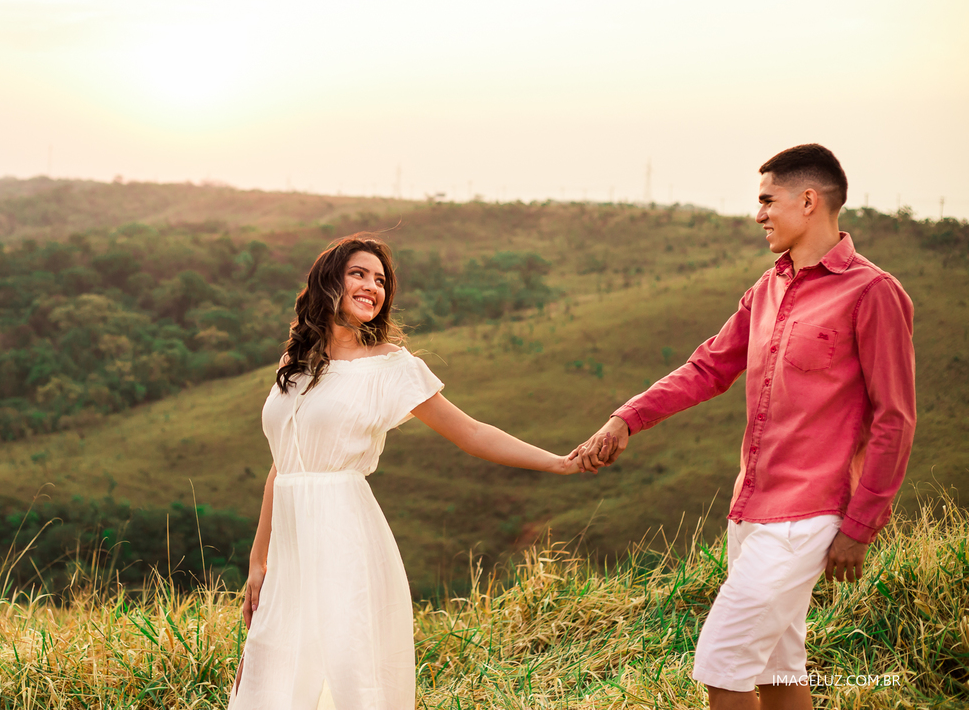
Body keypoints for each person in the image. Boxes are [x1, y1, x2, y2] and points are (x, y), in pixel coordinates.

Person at [575, 144, 916, 710]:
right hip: (750, 510)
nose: (759, 214)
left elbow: (895, 419)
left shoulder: (873, 293)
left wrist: (860, 527)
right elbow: (708, 367)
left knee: (722, 661)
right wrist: (626, 418)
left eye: (767, 200)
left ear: (808, 201)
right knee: (779, 668)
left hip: (809, 514)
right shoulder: (767, 288)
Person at [229, 234, 587, 710]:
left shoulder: (393, 367)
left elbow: (471, 432)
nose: (372, 287)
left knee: (348, 671)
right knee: (270, 674)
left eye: (381, 281)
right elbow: (283, 466)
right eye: (359, 274)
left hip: (344, 538)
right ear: (328, 281)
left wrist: (557, 462)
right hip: (289, 548)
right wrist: (259, 561)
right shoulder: (294, 364)